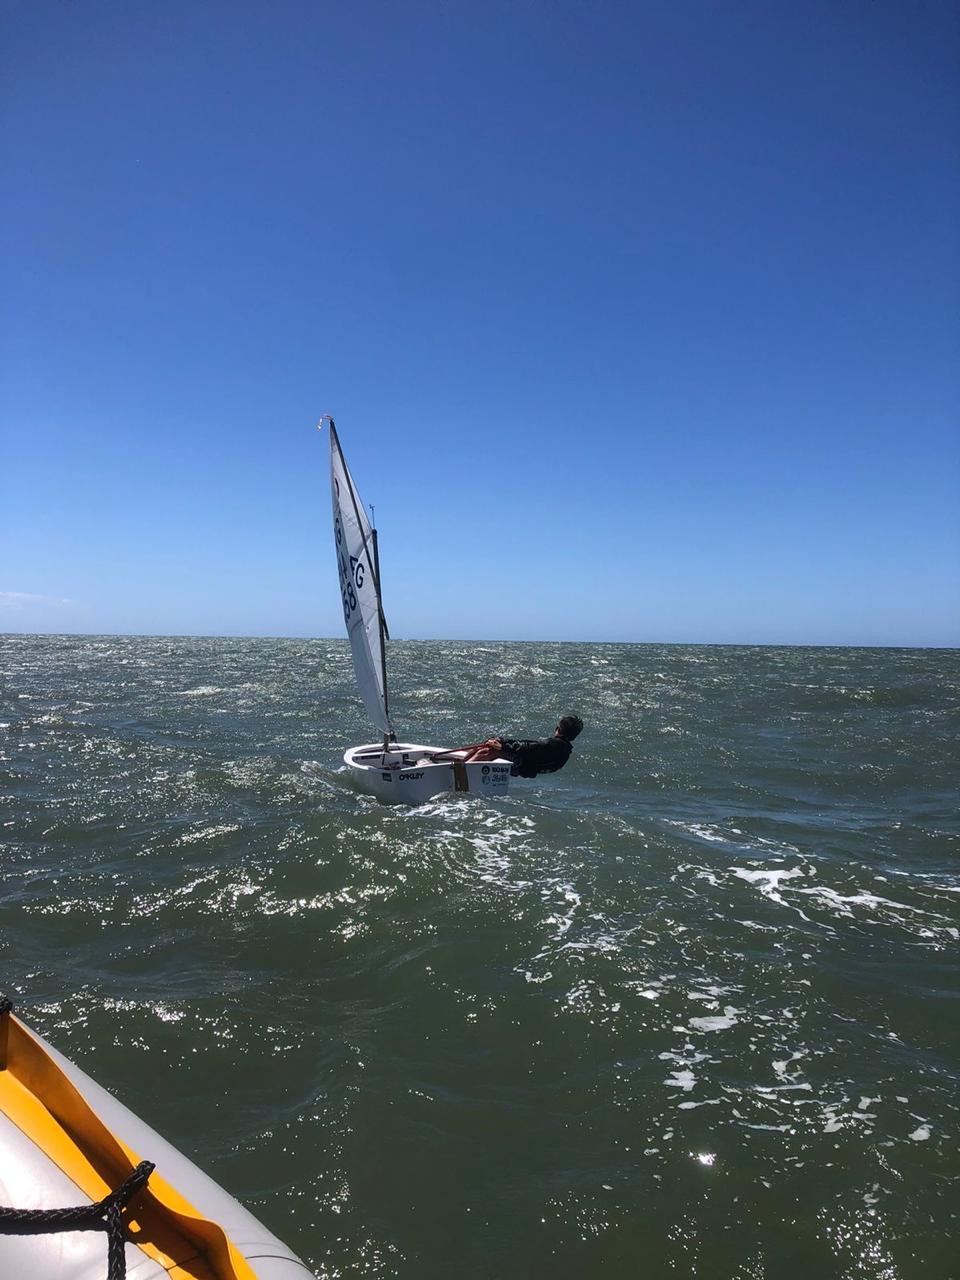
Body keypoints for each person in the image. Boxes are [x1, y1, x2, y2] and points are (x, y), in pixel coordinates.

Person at [457, 715, 583, 778]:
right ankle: (461, 766)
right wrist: (503, 743)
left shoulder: (555, 744)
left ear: (557, 729)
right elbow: (530, 746)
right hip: (526, 768)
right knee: (491, 745)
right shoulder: (565, 749)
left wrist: (503, 746)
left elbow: (528, 747)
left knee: (489, 751)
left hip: (522, 766)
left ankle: (460, 774)